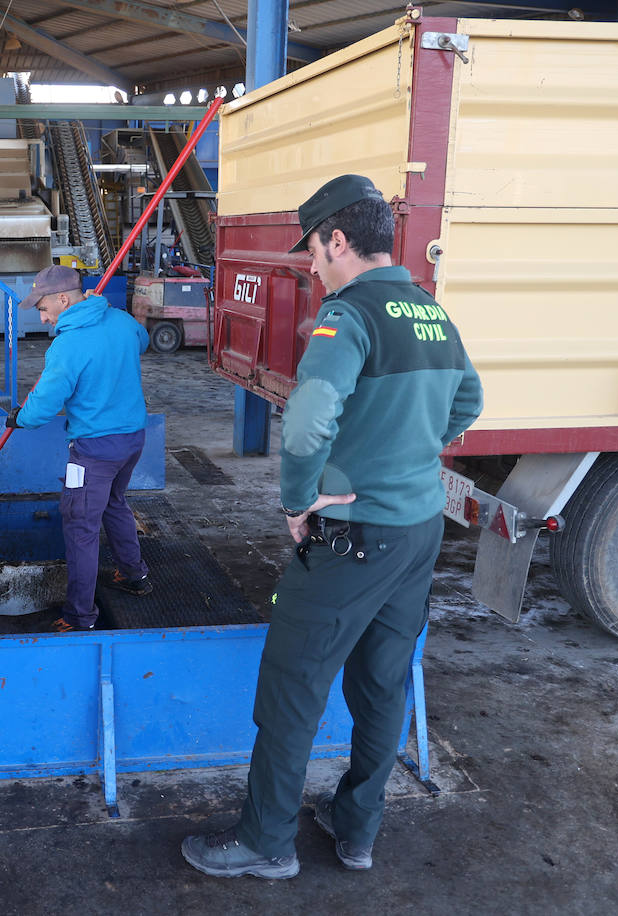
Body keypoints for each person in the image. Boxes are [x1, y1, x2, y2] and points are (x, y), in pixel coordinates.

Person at [180, 175, 483, 880]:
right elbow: (468, 399)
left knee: (292, 687)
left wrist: (298, 502)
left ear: (339, 241)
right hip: (416, 534)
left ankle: (266, 841)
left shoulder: (348, 319)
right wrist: (406, 453)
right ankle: (357, 827)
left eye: (314, 250)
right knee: (382, 685)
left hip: (353, 539)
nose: (312, 266)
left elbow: (310, 421)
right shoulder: (428, 311)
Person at [6, 264, 153, 633]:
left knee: (80, 527)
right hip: (133, 439)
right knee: (115, 503)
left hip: (94, 451)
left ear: (63, 298)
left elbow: (41, 409)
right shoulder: (119, 320)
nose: (41, 316)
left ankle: (79, 616)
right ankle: (135, 575)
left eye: (42, 307)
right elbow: (143, 341)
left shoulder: (67, 346)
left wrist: (19, 418)